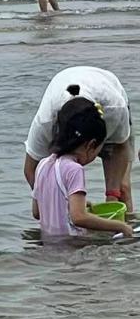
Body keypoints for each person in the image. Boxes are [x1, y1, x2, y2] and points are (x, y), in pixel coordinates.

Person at [23, 67, 136, 215]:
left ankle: (127, 235)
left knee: (122, 189)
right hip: (62, 86)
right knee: (45, 210)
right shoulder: (46, 122)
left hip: (107, 90)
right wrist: (55, 198)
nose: (76, 163)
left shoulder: (115, 109)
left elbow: (121, 146)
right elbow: (30, 169)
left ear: (94, 145)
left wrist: (112, 195)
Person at [32, 97, 134, 240]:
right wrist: (119, 225)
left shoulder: (42, 165)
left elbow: (37, 212)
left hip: (49, 242)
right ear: (90, 145)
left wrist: (76, 203)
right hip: (71, 245)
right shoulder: (74, 169)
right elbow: (79, 217)